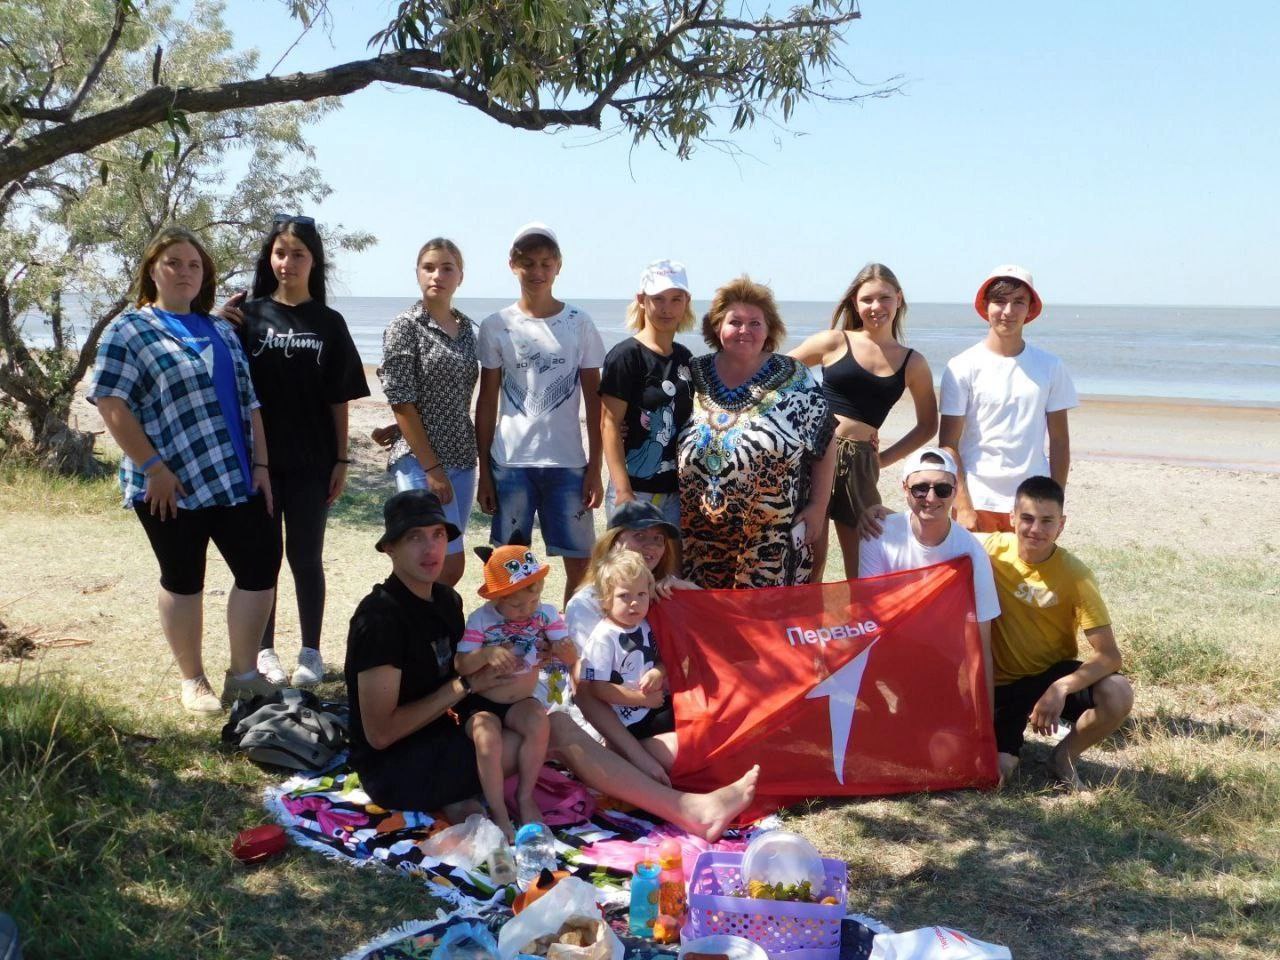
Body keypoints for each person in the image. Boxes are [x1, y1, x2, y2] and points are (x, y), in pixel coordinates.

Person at [347, 490, 759, 838]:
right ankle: (689, 810)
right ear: (389, 548)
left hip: (450, 738)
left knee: (547, 723)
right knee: (557, 731)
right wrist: (468, 686)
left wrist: (534, 658)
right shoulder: (380, 619)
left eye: (437, 535)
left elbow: (469, 665)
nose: (430, 548)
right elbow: (382, 734)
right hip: (398, 767)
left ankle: (684, 806)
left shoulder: (445, 601)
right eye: (415, 538)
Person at [89, 226, 278, 715]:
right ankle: (193, 680)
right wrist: (153, 467)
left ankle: (243, 675)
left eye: (194, 265)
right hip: (169, 483)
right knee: (183, 578)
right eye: (174, 262)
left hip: (236, 477)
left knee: (259, 570)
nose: (185, 272)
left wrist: (260, 465)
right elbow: (110, 401)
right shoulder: (129, 330)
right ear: (152, 268)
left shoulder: (220, 329)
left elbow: (250, 401)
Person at [234, 214, 369, 687]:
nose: (287, 263)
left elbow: (339, 398)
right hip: (258, 464)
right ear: (268, 257)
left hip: (313, 462)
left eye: (297, 254)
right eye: (279, 252)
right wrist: (220, 322)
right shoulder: (247, 317)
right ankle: (265, 650)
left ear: (314, 260)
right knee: (264, 557)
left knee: (306, 558)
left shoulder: (328, 322)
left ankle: (310, 651)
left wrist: (341, 460)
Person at [475, 223, 605, 604]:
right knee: (509, 564)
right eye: (527, 262)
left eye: (546, 263)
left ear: (559, 266)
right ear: (512, 265)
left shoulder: (579, 323)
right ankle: (515, 643)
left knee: (581, 564)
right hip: (510, 463)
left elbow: (595, 401)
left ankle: (570, 641)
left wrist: (595, 465)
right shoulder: (496, 325)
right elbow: (487, 401)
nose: (537, 271)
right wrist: (485, 469)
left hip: (567, 463)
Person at [678, 276, 835, 589]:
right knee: (706, 622)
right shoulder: (691, 372)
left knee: (766, 628)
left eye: (755, 323)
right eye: (734, 322)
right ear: (717, 326)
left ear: (769, 329)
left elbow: (825, 438)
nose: (744, 331)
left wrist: (818, 507)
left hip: (772, 537)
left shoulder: (794, 376)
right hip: (699, 535)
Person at [984, 476, 1134, 788]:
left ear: (1061, 524)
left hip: (1050, 675)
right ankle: (1007, 743)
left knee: (1118, 692)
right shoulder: (988, 548)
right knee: (996, 776)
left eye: (1047, 521)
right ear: (1011, 518)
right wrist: (873, 512)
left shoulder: (1076, 575)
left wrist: (1060, 689)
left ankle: (1063, 757)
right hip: (1000, 685)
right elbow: (934, 532)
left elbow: (1109, 656)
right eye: (1026, 519)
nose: (1035, 529)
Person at [789, 263, 937, 580]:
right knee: (810, 561)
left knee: (864, 564)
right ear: (855, 303)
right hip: (814, 456)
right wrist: (796, 425)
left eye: (884, 298)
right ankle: (805, 627)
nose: (876, 307)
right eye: (867, 299)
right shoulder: (834, 341)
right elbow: (776, 374)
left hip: (861, 465)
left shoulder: (912, 362)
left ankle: (861, 627)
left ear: (898, 299)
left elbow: (928, 425)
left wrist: (880, 460)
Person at [859, 447, 1001, 711]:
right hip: (888, 643)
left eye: (942, 489)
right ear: (905, 488)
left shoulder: (971, 552)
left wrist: (986, 729)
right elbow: (868, 614)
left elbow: (980, 645)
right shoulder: (877, 533)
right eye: (920, 488)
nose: (931, 498)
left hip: (937, 655)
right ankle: (873, 706)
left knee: (934, 739)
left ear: (956, 489)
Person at [939, 265, 1077, 534]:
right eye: (1000, 301)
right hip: (978, 498)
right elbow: (948, 443)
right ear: (985, 306)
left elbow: (1060, 441)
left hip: (1032, 500)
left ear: (1030, 309)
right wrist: (964, 505)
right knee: (976, 576)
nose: (1008, 311)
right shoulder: (961, 366)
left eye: (1018, 302)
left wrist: (1055, 502)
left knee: (1026, 577)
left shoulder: (1050, 366)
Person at [377, 238, 479, 587]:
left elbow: (451, 393)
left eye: (447, 267)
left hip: (463, 457)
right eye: (429, 267)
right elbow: (401, 400)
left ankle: (432, 636)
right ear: (418, 274)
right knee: (431, 561)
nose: (437, 275)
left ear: (460, 276)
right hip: (420, 461)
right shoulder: (405, 326)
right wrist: (432, 468)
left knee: (446, 565)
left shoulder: (467, 330)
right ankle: (408, 635)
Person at [454, 544, 572, 840]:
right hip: (482, 701)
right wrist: (486, 654)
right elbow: (461, 664)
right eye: (518, 606)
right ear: (497, 598)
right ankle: (499, 810)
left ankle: (524, 795)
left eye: (534, 600)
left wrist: (563, 649)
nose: (527, 610)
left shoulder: (545, 615)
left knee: (538, 721)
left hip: (521, 699)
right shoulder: (481, 620)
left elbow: (569, 654)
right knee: (487, 738)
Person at [599, 259, 695, 527]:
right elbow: (608, 424)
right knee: (631, 568)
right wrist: (623, 491)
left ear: (686, 302)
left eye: (676, 299)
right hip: (635, 490)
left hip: (677, 492)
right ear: (642, 300)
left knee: (672, 569)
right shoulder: (625, 355)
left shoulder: (685, 358)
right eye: (658, 299)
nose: (667, 308)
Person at [580, 551, 677, 777]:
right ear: (606, 599)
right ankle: (620, 756)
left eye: (642, 594)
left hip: (652, 706)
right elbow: (598, 687)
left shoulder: (644, 624)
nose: (635, 602)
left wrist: (657, 671)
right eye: (624, 596)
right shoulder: (604, 637)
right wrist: (641, 699)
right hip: (627, 720)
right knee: (676, 745)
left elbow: (662, 660)